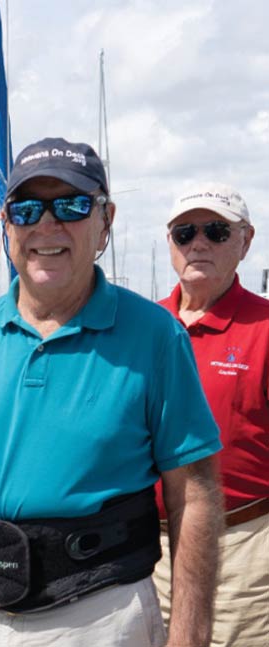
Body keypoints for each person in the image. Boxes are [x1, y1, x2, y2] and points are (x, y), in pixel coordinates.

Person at [0, 138, 224, 647]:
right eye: (26, 209)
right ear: (8, 225)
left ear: (105, 221)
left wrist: (190, 637)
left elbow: (194, 496)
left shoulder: (156, 336)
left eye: (71, 206)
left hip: (102, 620)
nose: (45, 227)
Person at [154, 182, 269, 647]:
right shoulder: (146, 325)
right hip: (149, 550)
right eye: (185, 233)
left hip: (241, 552)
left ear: (246, 240)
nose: (198, 242)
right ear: (170, 244)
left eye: (217, 231)